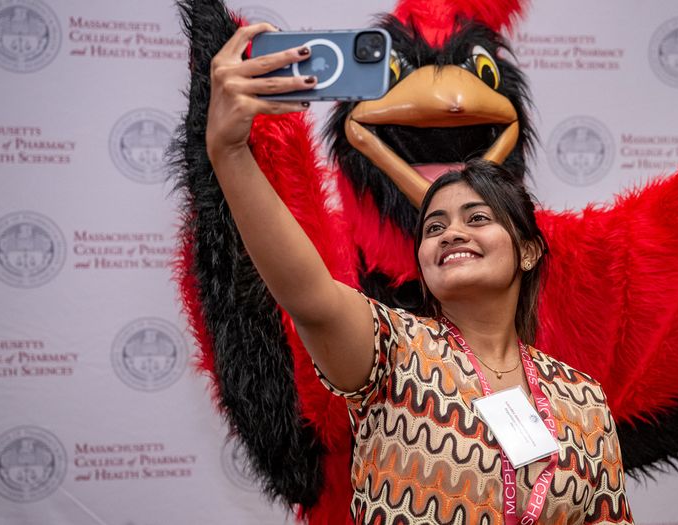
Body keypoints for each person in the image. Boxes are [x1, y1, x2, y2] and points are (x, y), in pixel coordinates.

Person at [206, 23, 634, 524]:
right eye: (434, 227)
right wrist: (229, 153)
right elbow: (308, 294)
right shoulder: (393, 351)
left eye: (477, 218)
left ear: (528, 252)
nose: (451, 233)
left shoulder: (581, 398)